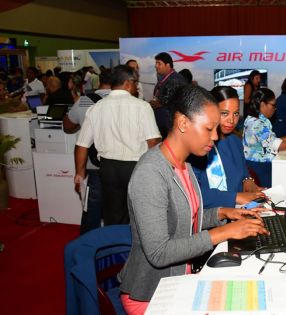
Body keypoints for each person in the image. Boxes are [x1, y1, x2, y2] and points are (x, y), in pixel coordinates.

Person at [118, 84, 268, 314]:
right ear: (183, 124)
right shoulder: (150, 173)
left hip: (181, 278)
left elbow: (187, 218)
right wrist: (225, 232)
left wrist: (224, 213)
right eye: (209, 129)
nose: (215, 136)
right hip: (151, 294)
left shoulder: (184, 165)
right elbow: (159, 253)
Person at [75, 65, 161, 225]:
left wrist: (79, 174)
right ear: (128, 83)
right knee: (140, 215)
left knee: (113, 216)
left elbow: (82, 145)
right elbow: (153, 141)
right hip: (136, 168)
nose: (137, 87)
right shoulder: (142, 106)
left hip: (108, 169)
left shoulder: (96, 108)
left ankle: (116, 248)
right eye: (136, 82)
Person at [190, 86, 265, 208]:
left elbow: (243, 171)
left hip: (240, 211)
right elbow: (192, 195)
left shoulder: (235, 141)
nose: (231, 120)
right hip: (211, 218)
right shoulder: (198, 147)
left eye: (235, 113)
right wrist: (236, 197)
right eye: (224, 113)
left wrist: (248, 180)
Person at [63, 70, 112, 235]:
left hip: (94, 165)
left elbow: (68, 125)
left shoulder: (85, 101)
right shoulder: (127, 101)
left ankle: (87, 246)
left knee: (92, 210)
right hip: (122, 165)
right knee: (121, 210)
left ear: (99, 82)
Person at [243, 88, 286, 187]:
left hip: (256, 165)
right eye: (273, 105)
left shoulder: (253, 119)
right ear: (262, 105)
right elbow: (278, 145)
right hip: (261, 168)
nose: (275, 108)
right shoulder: (258, 124)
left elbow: (268, 140)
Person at [150, 52, 186, 138]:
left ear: (168, 65)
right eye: (156, 63)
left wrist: (156, 103)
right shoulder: (164, 78)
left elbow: (167, 100)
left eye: (159, 63)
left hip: (169, 125)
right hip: (164, 123)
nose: (156, 66)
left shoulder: (175, 79)